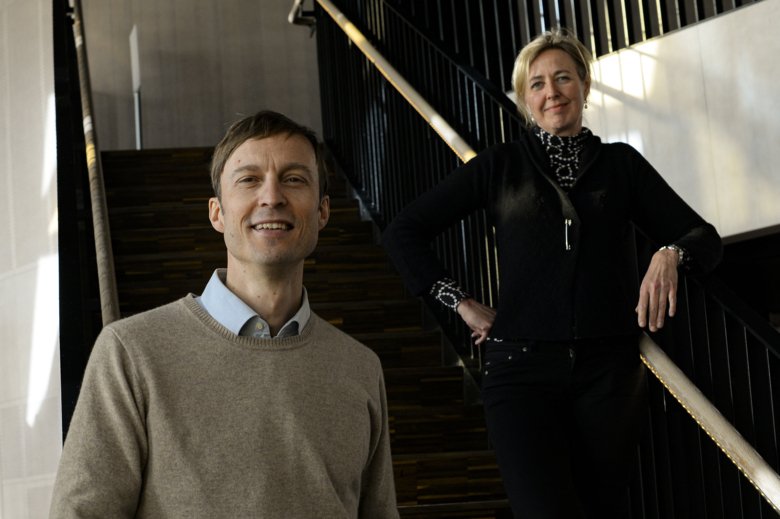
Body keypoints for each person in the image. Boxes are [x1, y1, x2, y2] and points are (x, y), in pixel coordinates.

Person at [381, 28, 722, 518]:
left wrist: (669, 253)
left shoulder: (620, 165)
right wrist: (460, 302)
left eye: (563, 77)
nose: (551, 92)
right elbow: (403, 231)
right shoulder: (500, 165)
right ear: (525, 99)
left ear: (584, 85)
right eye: (537, 84)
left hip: (607, 373)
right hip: (520, 372)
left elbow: (703, 238)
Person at [50, 110, 399, 518]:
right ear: (217, 213)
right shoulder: (131, 352)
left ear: (322, 212)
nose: (272, 197)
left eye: (294, 179)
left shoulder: (359, 367)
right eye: (249, 180)